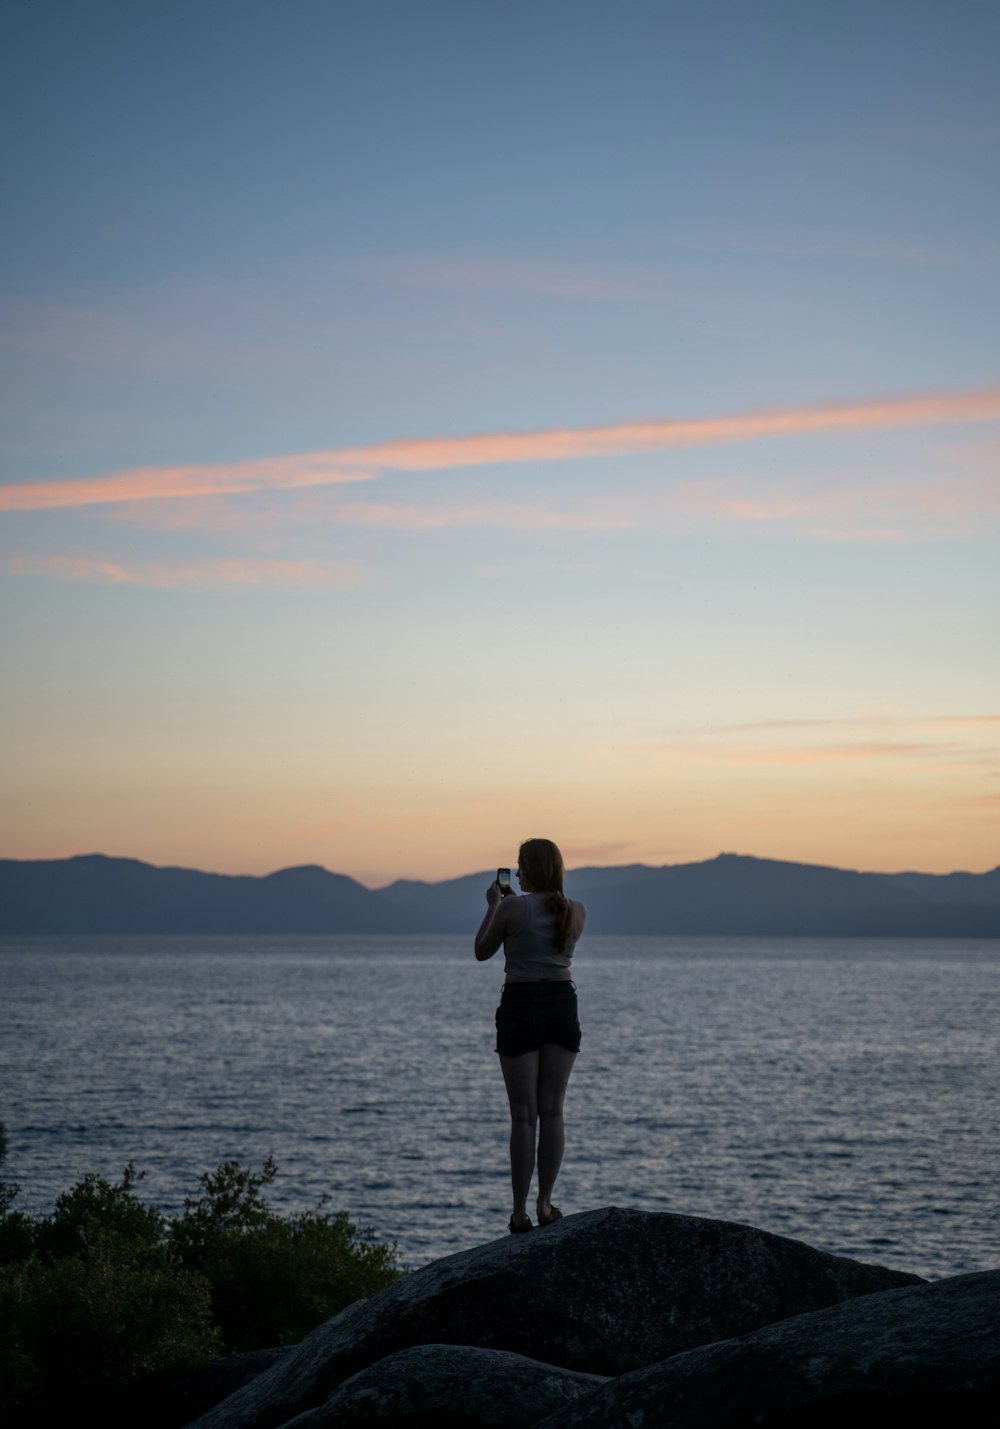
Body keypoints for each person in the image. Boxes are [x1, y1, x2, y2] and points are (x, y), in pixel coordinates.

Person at [474, 838, 587, 1233]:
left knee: (524, 1116)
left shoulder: (510, 907)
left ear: (532, 870)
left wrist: (493, 906)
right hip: (560, 1004)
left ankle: (519, 1212)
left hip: (520, 1005)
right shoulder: (576, 912)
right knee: (553, 1110)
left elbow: (481, 951)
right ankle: (545, 1204)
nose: (517, 874)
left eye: (521, 867)